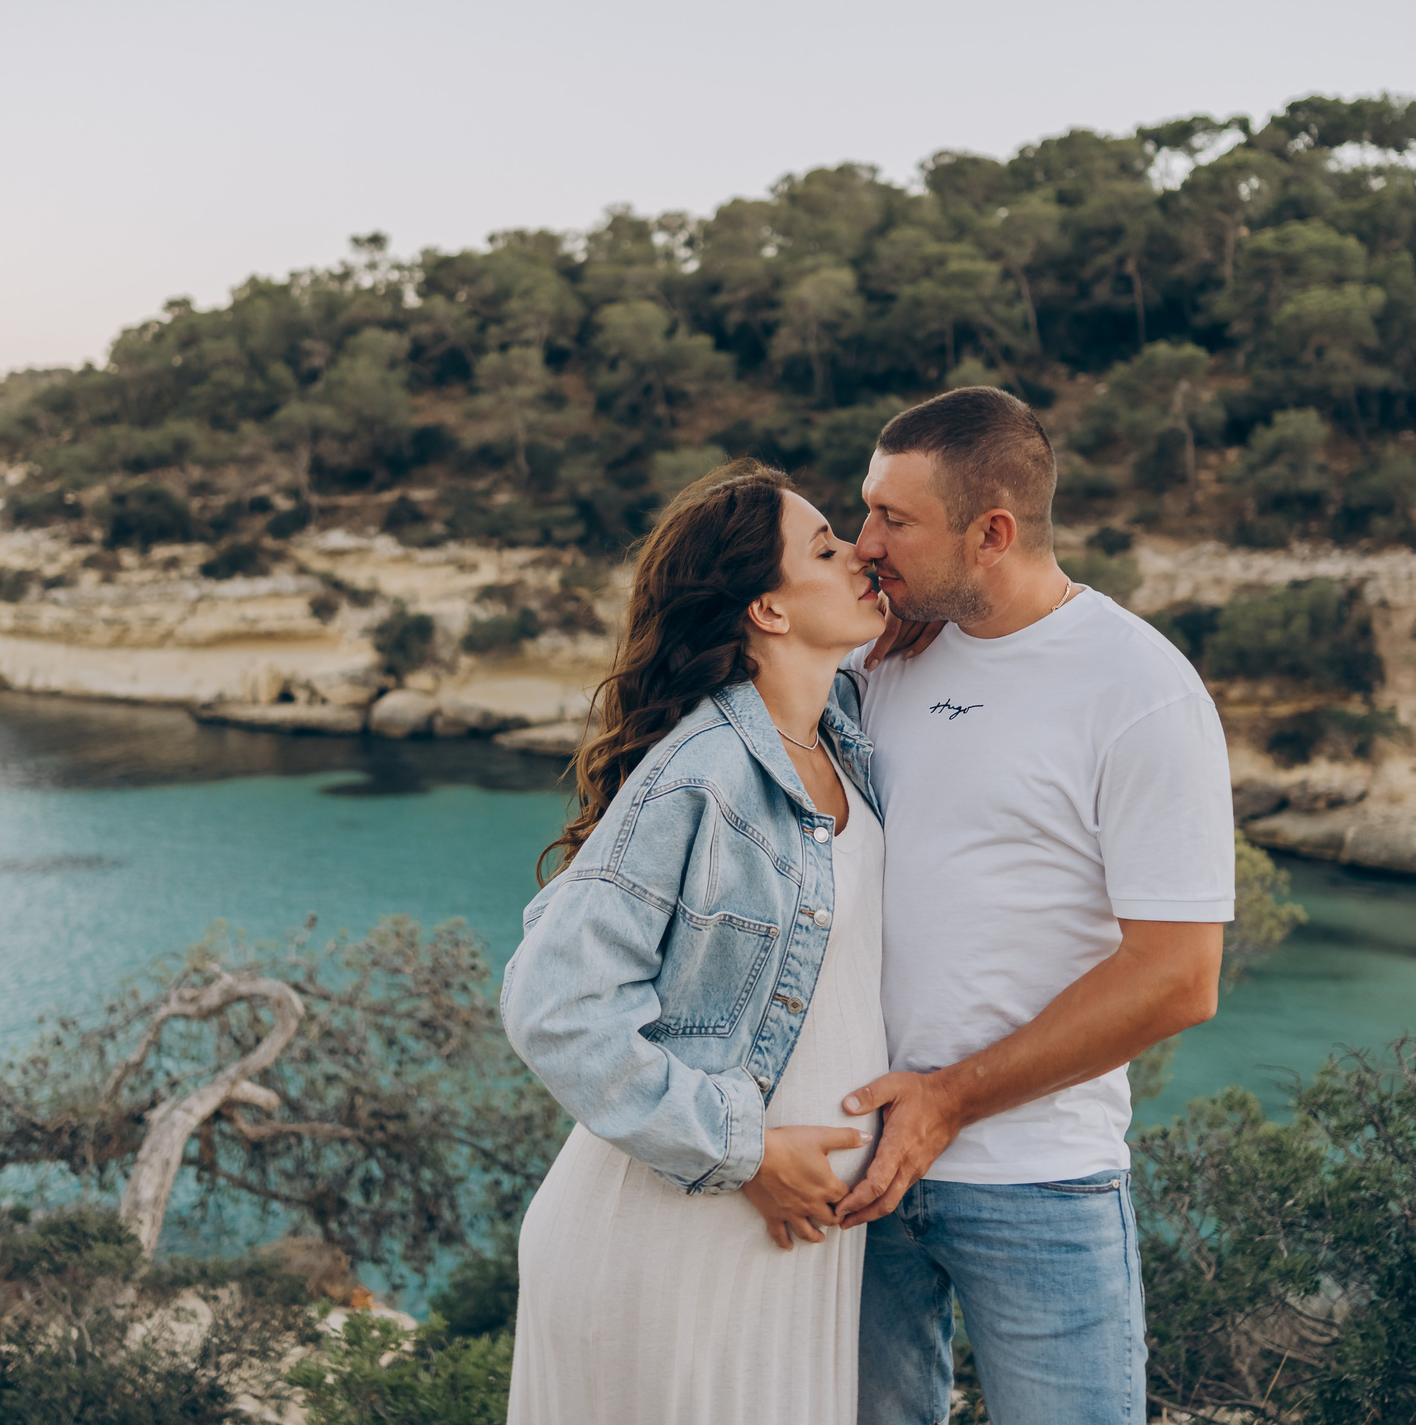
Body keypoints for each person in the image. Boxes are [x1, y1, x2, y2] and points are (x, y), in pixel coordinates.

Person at [838, 386, 1234, 1425]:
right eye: (865, 509)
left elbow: (1178, 979)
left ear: (992, 533)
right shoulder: (875, 654)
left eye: (894, 519)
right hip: (854, 1171)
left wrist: (948, 1101)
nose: (862, 543)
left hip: (1038, 1186)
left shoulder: (1139, 689)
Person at [501, 460, 895, 1425]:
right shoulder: (702, 773)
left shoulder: (838, 736)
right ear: (767, 606)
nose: (861, 554)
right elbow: (554, 1006)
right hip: (680, 1233)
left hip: (791, 1247)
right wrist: (744, 1148)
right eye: (826, 545)